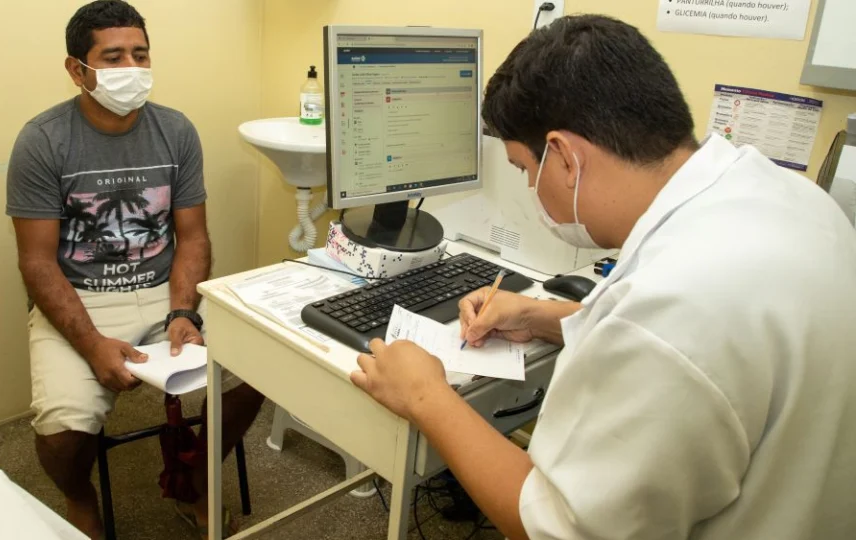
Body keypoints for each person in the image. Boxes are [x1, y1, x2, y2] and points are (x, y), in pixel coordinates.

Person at [351, 15, 856, 540]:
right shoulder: (788, 195)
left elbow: (557, 526)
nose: (530, 189)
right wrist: (543, 316)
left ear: (565, 157)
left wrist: (428, 397)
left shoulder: (671, 313)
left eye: (525, 170)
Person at [5, 1, 264, 538]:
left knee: (262, 371)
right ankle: (81, 499)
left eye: (140, 55)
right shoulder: (43, 140)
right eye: (114, 56)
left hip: (167, 290)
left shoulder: (175, 130)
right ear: (78, 70)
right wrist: (91, 342)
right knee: (61, 433)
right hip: (81, 299)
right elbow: (35, 260)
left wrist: (182, 311)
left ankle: (192, 477)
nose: (131, 69)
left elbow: (192, 238)